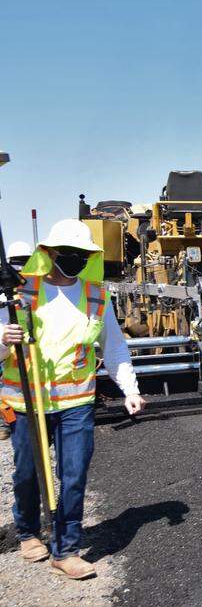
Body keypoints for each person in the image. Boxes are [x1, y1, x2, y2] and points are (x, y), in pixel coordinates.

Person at [0, 220, 145, 580]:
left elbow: (113, 347)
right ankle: (28, 532)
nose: (75, 260)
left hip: (77, 402)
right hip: (27, 400)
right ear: (48, 254)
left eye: (82, 255)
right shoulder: (19, 293)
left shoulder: (96, 295)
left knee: (74, 474)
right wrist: (5, 339)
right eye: (68, 254)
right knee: (28, 473)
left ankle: (66, 548)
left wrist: (130, 389)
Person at [0, 241, 33, 441]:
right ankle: (5, 424)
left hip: (24, 349)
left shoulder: (34, 289)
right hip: (6, 348)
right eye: (17, 263)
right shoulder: (6, 290)